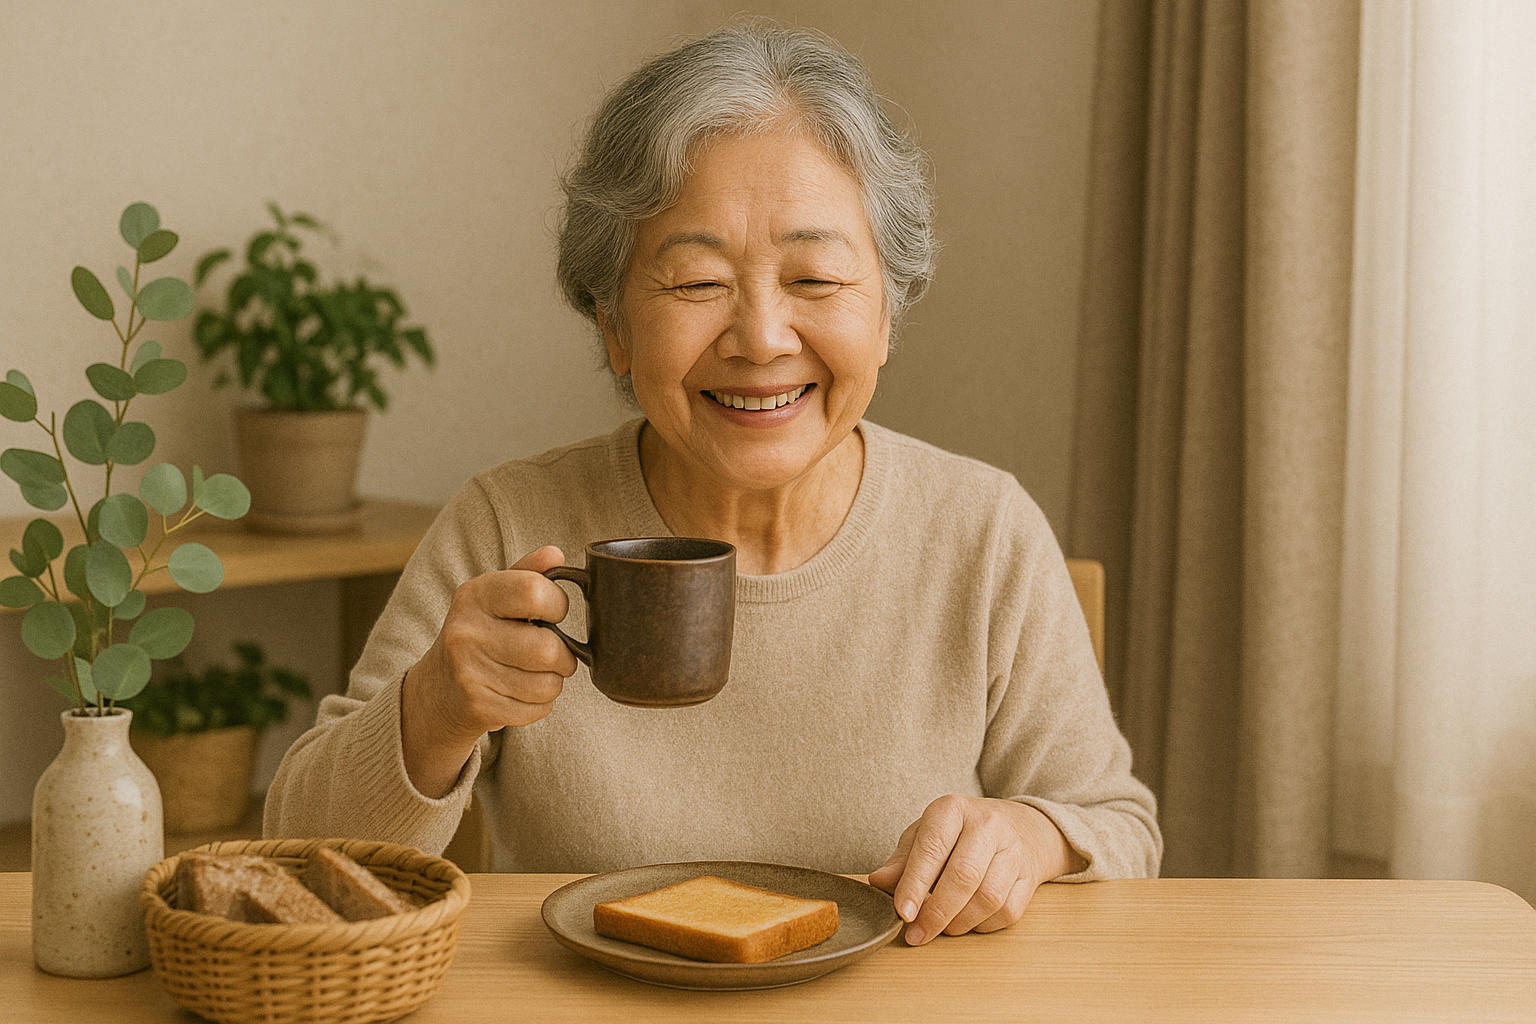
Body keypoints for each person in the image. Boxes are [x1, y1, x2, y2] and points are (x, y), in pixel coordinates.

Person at [265, 21, 1160, 946]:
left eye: (814, 276)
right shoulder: (510, 524)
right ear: (611, 325)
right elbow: (299, 855)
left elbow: (1118, 826)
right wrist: (435, 710)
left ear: (888, 313)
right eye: (697, 283)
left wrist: (1031, 833)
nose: (762, 337)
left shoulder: (983, 531)